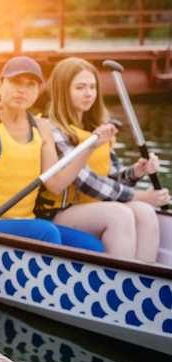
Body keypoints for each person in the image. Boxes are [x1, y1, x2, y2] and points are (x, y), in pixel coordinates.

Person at [0, 56, 116, 251]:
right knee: (47, 232)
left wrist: (90, 147)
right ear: (0, 85)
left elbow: (56, 184)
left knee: (92, 245)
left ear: (37, 91)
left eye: (30, 84)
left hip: (23, 223)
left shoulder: (41, 128)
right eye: (15, 82)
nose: (22, 90)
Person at [36, 56, 170, 262]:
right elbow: (87, 181)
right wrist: (140, 196)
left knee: (145, 212)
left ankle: (141, 282)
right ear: (63, 91)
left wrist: (136, 171)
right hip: (58, 211)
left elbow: (112, 176)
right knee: (119, 214)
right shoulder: (52, 129)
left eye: (92, 87)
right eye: (80, 88)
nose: (89, 94)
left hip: (92, 206)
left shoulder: (95, 127)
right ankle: (117, 281)